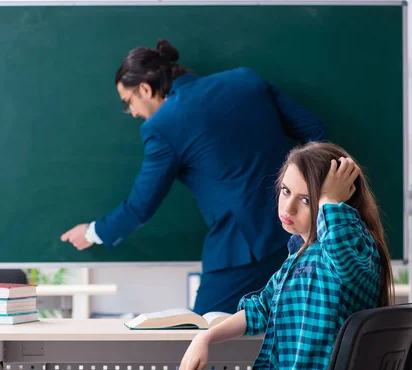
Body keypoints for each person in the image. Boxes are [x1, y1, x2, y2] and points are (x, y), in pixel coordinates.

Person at [61, 39, 326, 314]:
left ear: (145, 89)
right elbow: (315, 132)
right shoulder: (245, 79)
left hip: (240, 250)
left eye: (129, 103)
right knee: (296, 340)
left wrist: (93, 232)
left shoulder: (162, 127)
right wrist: (304, 199)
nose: (134, 113)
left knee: (199, 344)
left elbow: (140, 207)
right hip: (304, 235)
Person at [177, 142, 395, 370]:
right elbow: (261, 308)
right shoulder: (300, 256)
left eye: (305, 199)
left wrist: (328, 201)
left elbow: (344, 264)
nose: (288, 208)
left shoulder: (354, 246)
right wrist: (205, 338)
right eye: (285, 191)